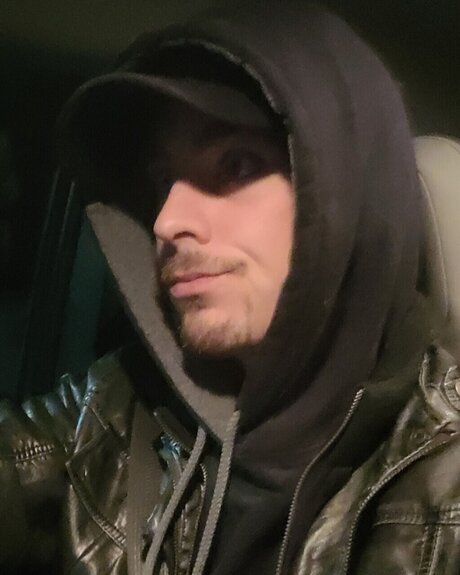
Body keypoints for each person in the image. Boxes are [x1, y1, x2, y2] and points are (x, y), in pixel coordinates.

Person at [2, 2, 460, 574]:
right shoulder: (123, 404)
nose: (166, 221)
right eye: (161, 180)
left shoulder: (443, 481)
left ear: (348, 197)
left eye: (238, 165)